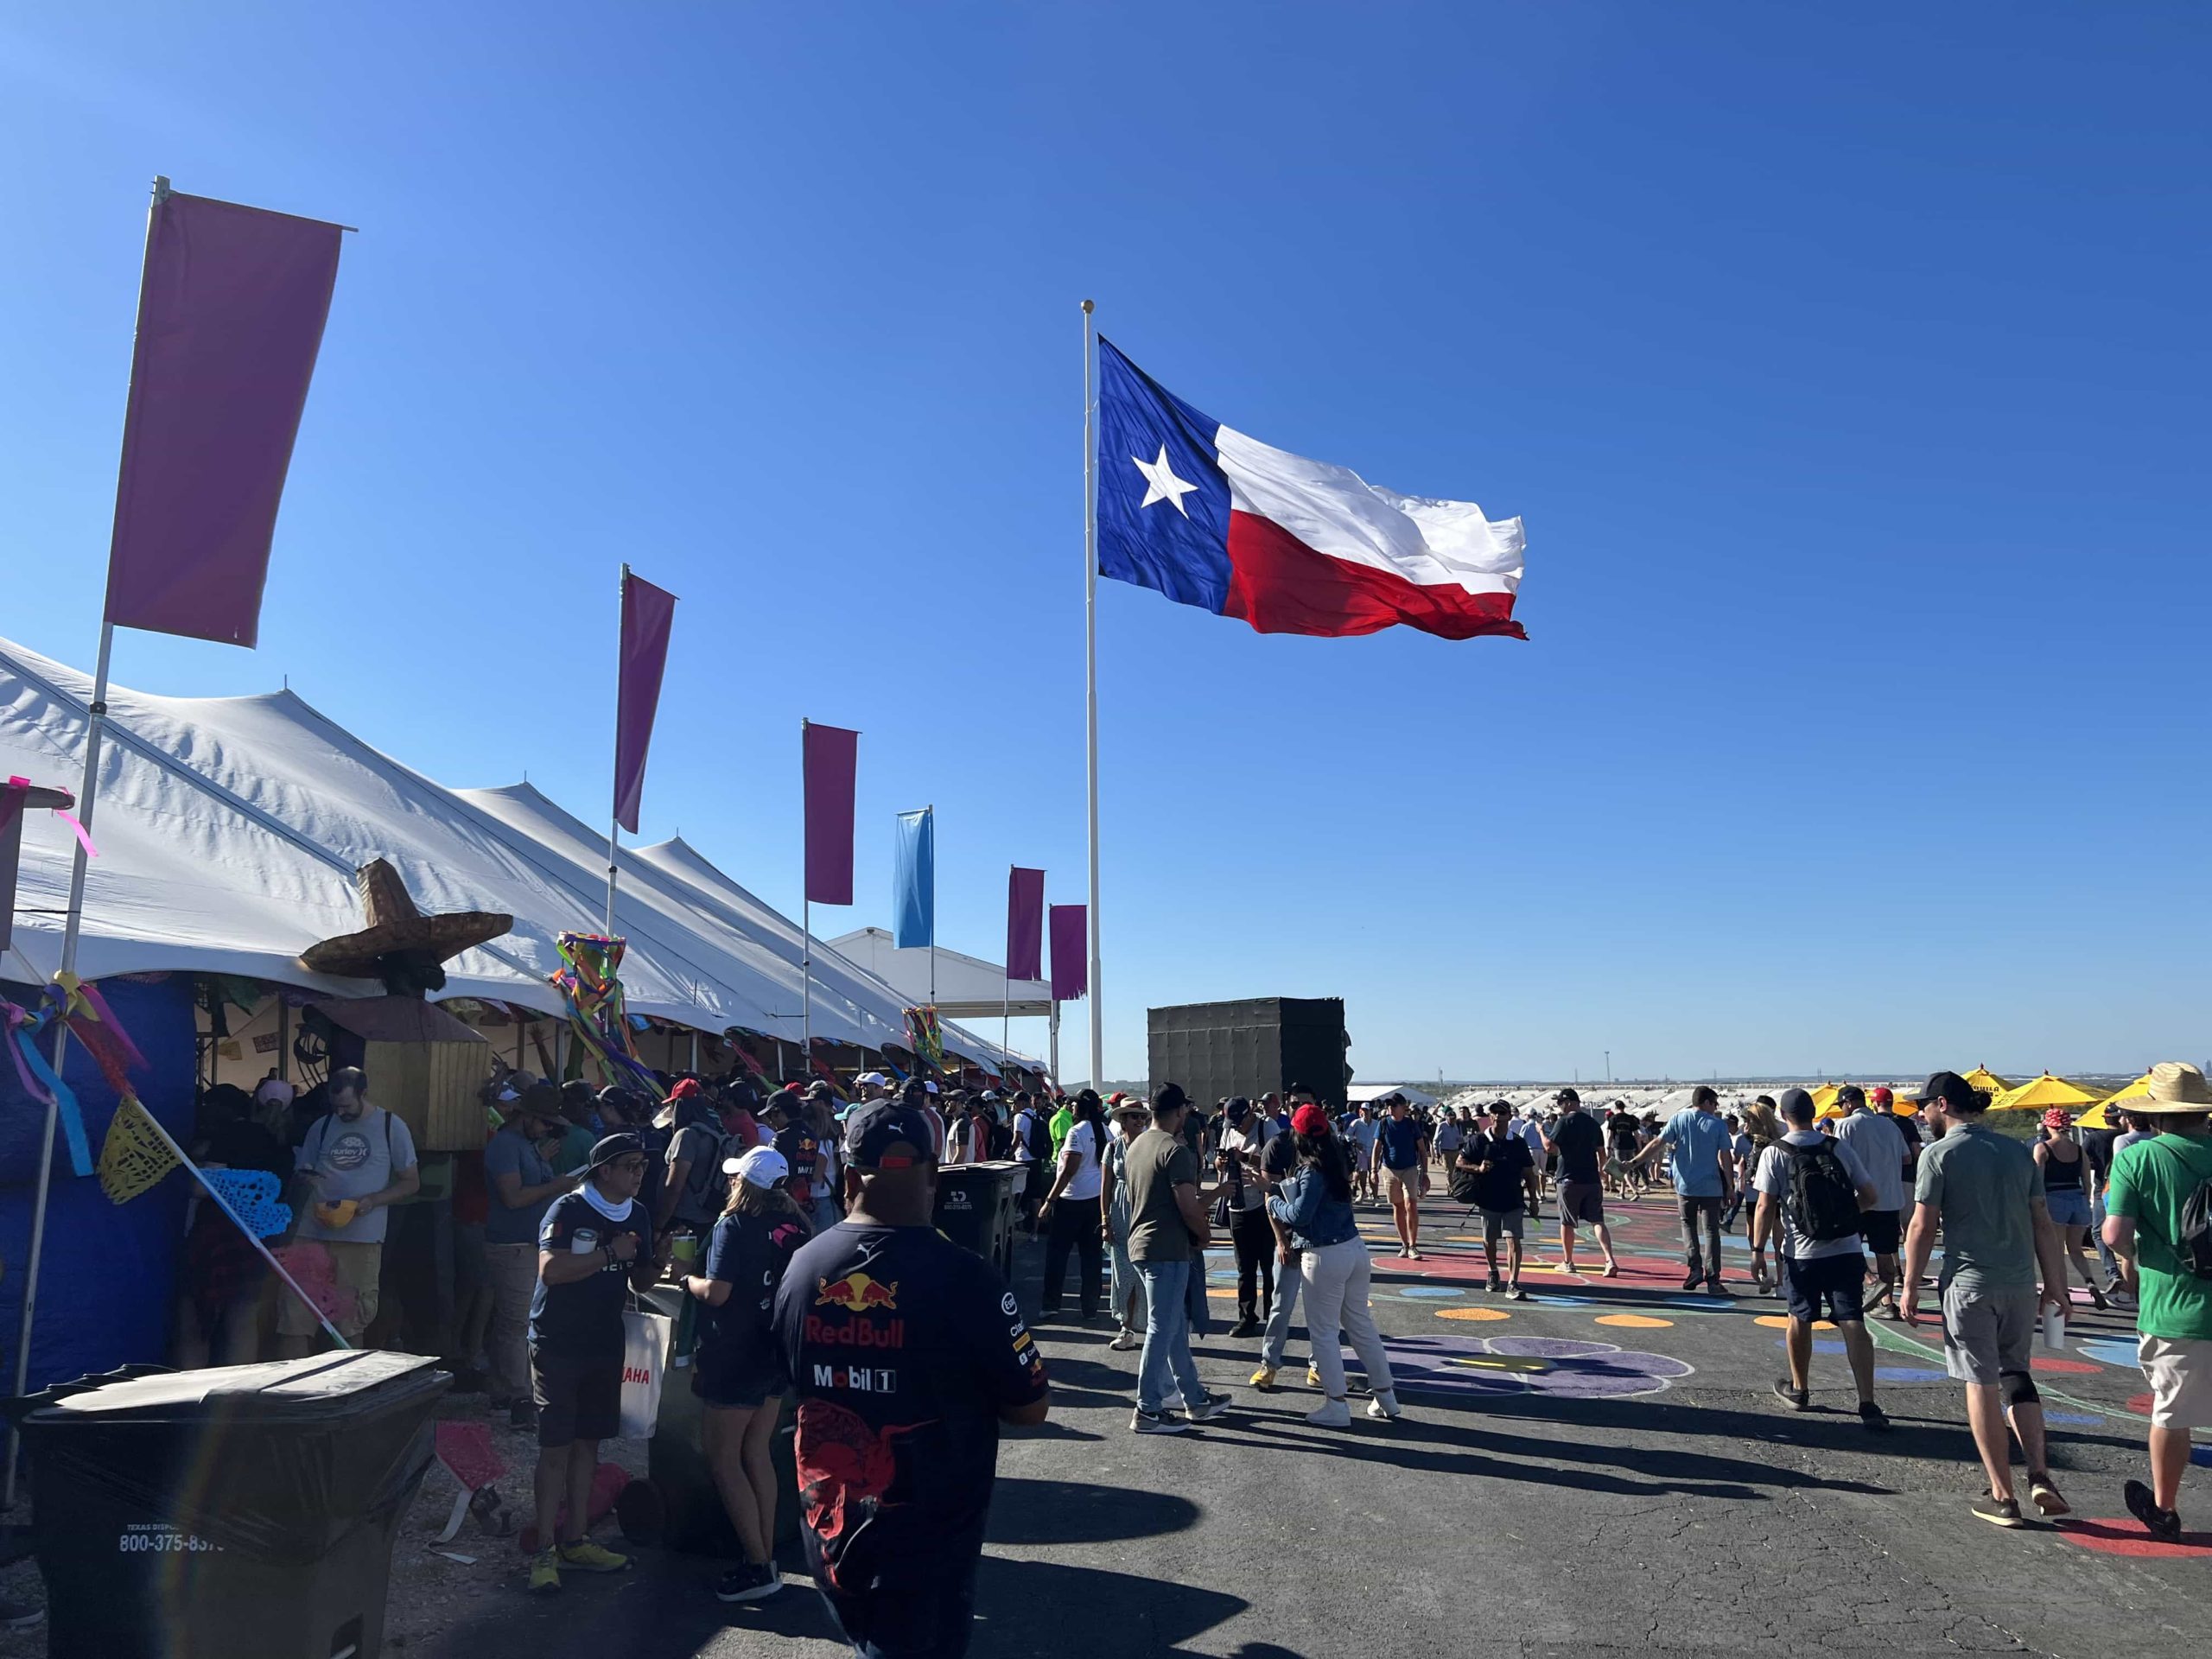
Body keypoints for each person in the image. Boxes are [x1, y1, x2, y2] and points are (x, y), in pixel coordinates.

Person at [773, 1096, 1049, 1657]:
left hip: (832, 1541)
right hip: (929, 1548)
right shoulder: (968, 1278)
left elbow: (786, 1380)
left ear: (849, 1173)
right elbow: (1029, 1406)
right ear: (932, 1174)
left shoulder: (802, 1267)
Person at [1901, 1071, 2072, 1528]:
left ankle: (2002, 1495)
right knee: (2017, 1373)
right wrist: (2054, 1283)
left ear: (1942, 1104)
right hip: (2019, 1283)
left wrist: (1910, 1283)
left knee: (1979, 1382)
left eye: (1925, 1106)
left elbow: (1921, 1225)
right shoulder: (2018, 1153)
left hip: (1969, 1283)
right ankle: (2040, 1473)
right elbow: (2042, 1221)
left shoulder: (1939, 1154)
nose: (1922, 1114)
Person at [527, 1133, 664, 1592]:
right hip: (557, 1342)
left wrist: (660, 1260)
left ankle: (576, 1538)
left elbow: (641, 1281)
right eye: (631, 1166)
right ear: (604, 1170)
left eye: (643, 1167)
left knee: (589, 1444)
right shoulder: (569, 1208)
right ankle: (544, 1548)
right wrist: (610, 1253)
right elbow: (550, 1271)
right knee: (555, 1447)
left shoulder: (639, 1214)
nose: (639, 1175)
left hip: (606, 1342)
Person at [685, 1147, 809, 1604]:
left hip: (734, 1353)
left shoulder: (732, 1225)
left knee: (724, 1457)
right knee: (757, 1450)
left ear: (744, 1183)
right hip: (776, 1351)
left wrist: (686, 1279)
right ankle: (765, 1551)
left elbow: (717, 1293)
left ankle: (758, 1565)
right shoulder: (797, 1226)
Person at [2100, 1061, 2212, 1542]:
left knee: (2172, 1412)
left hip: (2175, 1303)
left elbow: (2115, 1233)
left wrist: (2132, 1260)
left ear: (2158, 1114)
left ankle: (2165, 1509)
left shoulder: (2137, 1158)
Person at [1753, 1088, 1888, 1429]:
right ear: (1814, 1112)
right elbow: (1871, 1196)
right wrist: (1841, 1216)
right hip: (1846, 1249)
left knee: (1799, 1318)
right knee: (1852, 1319)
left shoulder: (1776, 1152)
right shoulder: (1836, 1146)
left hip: (1802, 1253)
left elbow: (1765, 1205)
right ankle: (1868, 1402)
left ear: (1784, 1117)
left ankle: (1800, 1389)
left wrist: (1758, 1251)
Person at [1269, 1103, 1402, 1427]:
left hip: (1324, 1254)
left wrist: (1273, 1201)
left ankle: (1337, 1406)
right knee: (1361, 1326)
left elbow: (1300, 1215)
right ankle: (1386, 1397)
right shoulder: (1336, 1158)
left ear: (1298, 1134)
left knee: (1324, 1333)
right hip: (1353, 1248)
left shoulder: (1311, 1169)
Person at [280, 1066, 421, 1357]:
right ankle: (295, 1394)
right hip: (311, 1232)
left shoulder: (390, 1126)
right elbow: (302, 1173)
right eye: (335, 1107)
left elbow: (411, 1183)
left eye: (346, 1106)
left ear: (363, 1094)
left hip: (361, 1236)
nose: (341, 1113)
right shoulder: (322, 1126)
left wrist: (373, 1200)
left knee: (350, 1321)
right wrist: (305, 1183)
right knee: (295, 1316)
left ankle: (346, 1390)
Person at [1122, 1083, 1232, 1433]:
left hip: (1141, 1245)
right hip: (1166, 1249)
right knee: (1162, 1327)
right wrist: (1203, 1233)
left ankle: (1195, 1400)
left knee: (1170, 1327)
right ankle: (1148, 1409)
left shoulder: (1137, 1144)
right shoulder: (1174, 1150)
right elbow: (1187, 1206)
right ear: (1181, 1111)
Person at [486, 1083, 577, 1429]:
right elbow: (512, 1197)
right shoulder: (505, 1146)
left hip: (528, 1243)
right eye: (543, 1122)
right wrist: (558, 1185)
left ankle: (505, 1390)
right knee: (516, 1324)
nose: (546, 1129)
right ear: (526, 1116)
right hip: (511, 1245)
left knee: (514, 1322)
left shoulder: (525, 1145)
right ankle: (519, 1395)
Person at [1632, 1084, 1736, 1294]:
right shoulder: (1717, 1125)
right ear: (1706, 1102)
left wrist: (1635, 1161)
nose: (1715, 1107)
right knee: (1711, 1231)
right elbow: (1725, 1157)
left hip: (1685, 1184)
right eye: (1714, 1103)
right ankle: (1713, 1278)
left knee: (1688, 1226)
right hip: (1711, 1185)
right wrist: (1730, 1186)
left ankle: (1694, 1268)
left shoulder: (1679, 1119)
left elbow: (1658, 1143)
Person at [1830, 1084, 1911, 1318]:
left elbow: (1838, 1161)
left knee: (1847, 1247)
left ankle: (1869, 1281)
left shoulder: (1846, 1125)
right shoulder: (1890, 1125)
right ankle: (1887, 1303)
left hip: (1859, 1198)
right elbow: (1907, 1158)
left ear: (1848, 1103)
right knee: (1885, 1253)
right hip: (1889, 1197)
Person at [1250, 1106, 1313, 1389]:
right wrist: (1281, 1241)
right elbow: (1269, 1197)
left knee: (1320, 1309)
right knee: (1281, 1304)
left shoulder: (1324, 1147)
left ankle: (1320, 1364)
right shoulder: (1278, 1146)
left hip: (1318, 1240)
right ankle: (1269, 1363)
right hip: (1290, 1236)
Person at [1037, 1090, 1108, 1321]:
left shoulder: (1076, 1132)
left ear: (1081, 1108)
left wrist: (1050, 1200)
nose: (1071, 1109)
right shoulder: (1105, 1131)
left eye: (1074, 1105)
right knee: (1092, 1257)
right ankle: (1090, 1306)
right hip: (1096, 1201)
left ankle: (1051, 1303)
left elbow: (1068, 1170)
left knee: (1058, 1255)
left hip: (1070, 1201)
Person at [1458, 1102, 1538, 1299]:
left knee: (1513, 1239)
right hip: (1488, 1199)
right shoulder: (1479, 1140)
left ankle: (1513, 1282)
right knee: (1490, 1239)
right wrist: (1478, 1169)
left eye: (1502, 1113)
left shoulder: (1518, 1143)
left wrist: (1534, 1200)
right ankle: (1493, 1271)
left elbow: (1529, 1173)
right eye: (1494, 1113)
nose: (1497, 1116)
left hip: (1513, 1200)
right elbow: (1461, 1162)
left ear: (1509, 1116)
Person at [2035, 1109, 2113, 1310]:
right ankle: (2091, 1283)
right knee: (2076, 1250)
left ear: (2048, 1125)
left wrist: (2038, 1207)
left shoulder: (2043, 1148)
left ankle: (2064, 1294)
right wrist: (2084, 1202)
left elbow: (2037, 1182)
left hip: (2054, 1199)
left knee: (2057, 1252)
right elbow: (2087, 1182)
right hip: (2078, 1199)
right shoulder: (2078, 1149)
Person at [1212, 1098, 1277, 1336]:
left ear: (1251, 1114)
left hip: (1263, 1203)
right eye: (1233, 1123)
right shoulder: (1228, 1129)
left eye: (1240, 1122)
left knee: (1269, 1264)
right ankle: (1247, 1317)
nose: (1237, 1127)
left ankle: (1273, 1315)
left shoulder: (1267, 1127)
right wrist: (1220, 1162)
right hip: (1236, 1203)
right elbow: (1218, 1162)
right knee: (1244, 1266)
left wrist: (1246, 1157)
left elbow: (1278, 1162)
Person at [1542, 1088, 1620, 1277]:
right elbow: (1602, 1152)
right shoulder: (1593, 1124)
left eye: (1560, 1103)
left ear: (1568, 1102)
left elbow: (1549, 1147)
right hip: (1591, 1179)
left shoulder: (1564, 1121)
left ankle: (1568, 1261)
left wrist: (1540, 1132)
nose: (1559, 1108)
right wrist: (1602, 1172)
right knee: (1597, 1220)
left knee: (1567, 1222)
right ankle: (1609, 1259)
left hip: (1569, 1178)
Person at [1099, 1100, 1152, 1351]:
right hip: (1120, 1213)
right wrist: (1105, 1220)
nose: (1139, 1121)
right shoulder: (1112, 1147)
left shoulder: (1151, 1145)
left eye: (1142, 1116)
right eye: (1133, 1116)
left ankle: (1151, 1326)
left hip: (1145, 1211)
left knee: (1147, 1272)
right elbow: (1105, 1187)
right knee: (1123, 1274)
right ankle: (1126, 1327)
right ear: (1123, 1121)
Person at [1373, 1096, 1431, 1259]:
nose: (1391, 1108)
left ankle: (1413, 1245)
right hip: (1389, 1169)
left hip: (1410, 1168)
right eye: (1389, 1105)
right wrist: (1373, 1170)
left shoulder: (1411, 1125)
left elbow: (1421, 1150)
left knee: (1411, 1204)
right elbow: (1377, 1148)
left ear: (1403, 1107)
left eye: (1394, 1105)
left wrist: (1425, 1174)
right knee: (1397, 1206)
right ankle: (1404, 1244)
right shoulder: (1383, 1124)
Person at [1011, 1091, 1052, 1233]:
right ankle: (1035, 1231)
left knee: (1017, 1191)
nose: (1014, 1107)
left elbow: (1017, 1139)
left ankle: (1017, 1217)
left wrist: (1008, 1154)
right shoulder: (1036, 1116)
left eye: (1015, 1103)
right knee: (1035, 1196)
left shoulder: (1020, 1117)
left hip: (1023, 1159)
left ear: (1021, 1103)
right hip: (1036, 1159)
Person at [1345, 1104, 1382, 1204]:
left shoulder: (1377, 1123)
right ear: (1361, 1111)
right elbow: (1348, 1134)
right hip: (1362, 1152)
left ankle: (1375, 1197)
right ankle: (1363, 1193)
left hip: (1373, 1152)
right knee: (1362, 1174)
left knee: (1373, 1174)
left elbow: (1381, 1136)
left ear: (1371, 1111)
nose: (1366, 1112)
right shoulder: (1357, 1123)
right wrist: (1356, 1143)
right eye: (1364, 1110)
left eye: (1367, 1110)